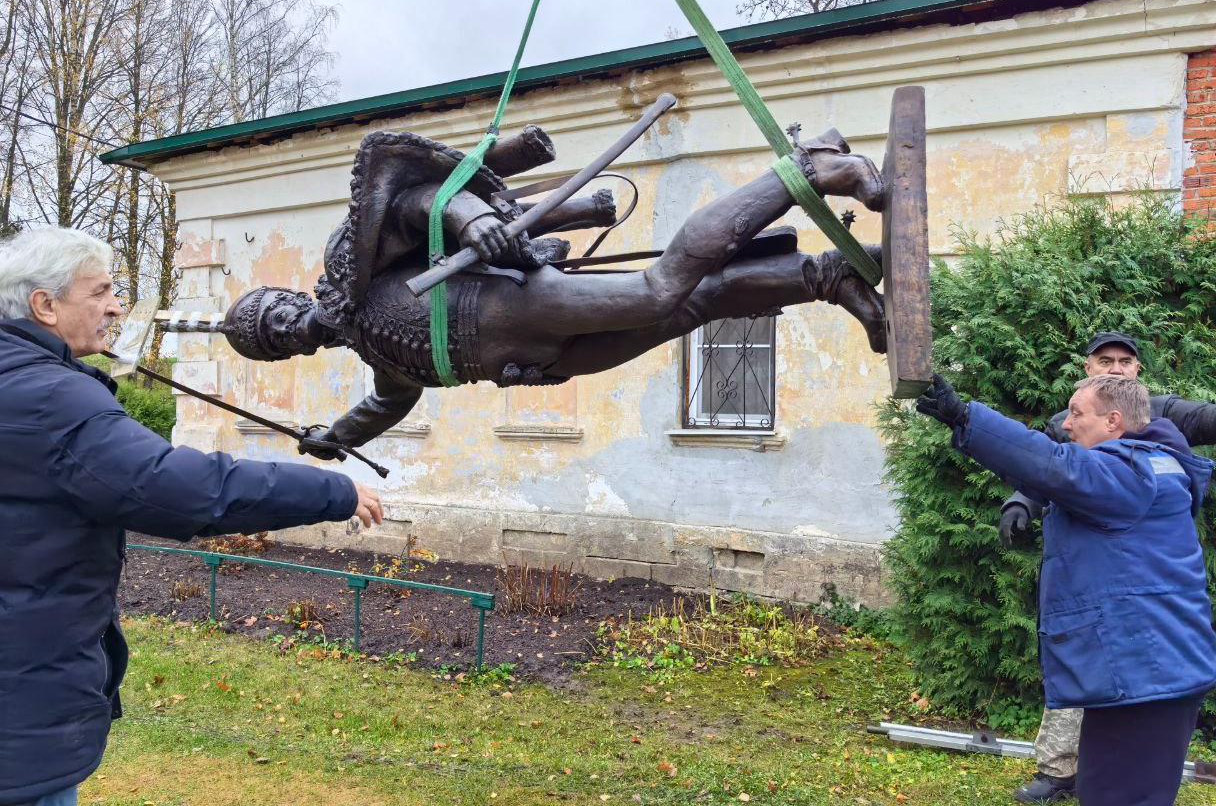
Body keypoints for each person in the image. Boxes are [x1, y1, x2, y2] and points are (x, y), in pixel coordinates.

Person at [212, 123, 888, 455]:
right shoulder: (377, 355)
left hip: (512, 301)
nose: (284, 333)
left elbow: (420, 201)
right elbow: (387, 407)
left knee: (659, 290)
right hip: (530, 361)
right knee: (689, 308)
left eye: (275, 318)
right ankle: (828, 279)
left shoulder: (346, 267)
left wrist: (476, 223)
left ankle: (814, 166)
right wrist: (335, 437)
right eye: (276, 344)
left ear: (287, 296)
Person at [0, 227, 385, 806]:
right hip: (20, 705)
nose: (116, 306)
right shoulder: (49, 397)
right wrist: (330, 491)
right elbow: (179, 490)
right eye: (101, 292)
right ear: (45, 305)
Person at [918, 372, 1216, 806]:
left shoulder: (1132, 472)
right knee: (1103, 791)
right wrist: (1020, 498)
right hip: (1141, 674)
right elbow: (1053, 478)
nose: (1067, 424)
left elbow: (1056, 467)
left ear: (1114, 421)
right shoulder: (1144, 463)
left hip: (1147, 678)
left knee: (1122, 797)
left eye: (1076, 414)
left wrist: (966, 416)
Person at [997, 332, 1216, 804]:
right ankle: (1058, 771)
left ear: (1136, 373)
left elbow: (1203, 419)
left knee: (1124, 689)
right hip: (1090, 583)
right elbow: (1050, 468)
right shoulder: (1071, 420)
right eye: (1105, 360)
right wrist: (1020, 503)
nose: (1115, 367)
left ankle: (1099, 779)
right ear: (1088, 366)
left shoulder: (1161, 414)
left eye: (1125, 361)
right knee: (1083, 679)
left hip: (1135, 583)